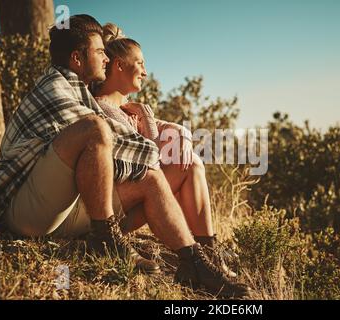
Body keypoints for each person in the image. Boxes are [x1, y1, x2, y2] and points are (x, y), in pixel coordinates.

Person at [0, 14, 250, 298]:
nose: (105, 58)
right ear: (77, 58)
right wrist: (152, 146)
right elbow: (115, 140)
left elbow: (128, 151)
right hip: (27, 213)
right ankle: (107, 239)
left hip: (63, 212)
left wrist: (165, 140)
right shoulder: (55, 88)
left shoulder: (81, 94)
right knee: (96, 129)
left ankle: (194, 263)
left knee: (150, 179)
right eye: (100, 52)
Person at [92, 23, 236, 277]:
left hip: (131, 198)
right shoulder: (104, 109)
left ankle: (209, 253)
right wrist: (147, 120)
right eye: (140, 63)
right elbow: (149, 166)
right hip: (114, 211)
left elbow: (166, 135)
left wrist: (176, 133)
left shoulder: (123, 109)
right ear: (119, 66)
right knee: (190, 164)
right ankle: (206, 256)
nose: (145, 72)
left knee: (191, 162)